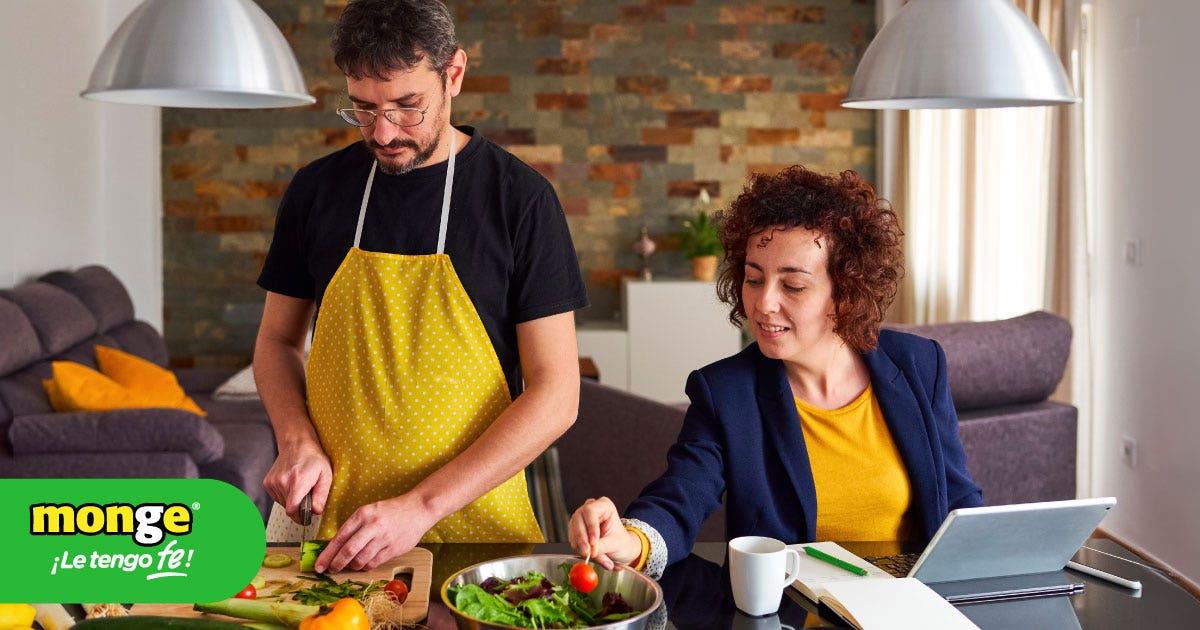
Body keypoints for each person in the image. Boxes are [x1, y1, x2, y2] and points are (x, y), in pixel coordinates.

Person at [254, 0, 588, 573]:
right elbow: (277, 344)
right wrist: (295, 438)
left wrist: (420, 506)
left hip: (474, 531)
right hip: (325, 527)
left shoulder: (520, 201)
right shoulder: (315, 191)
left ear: (452, 74)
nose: (382, 133)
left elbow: (557, 394)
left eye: (407, 107)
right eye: (362, 109)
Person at [568, 165, 982, 578]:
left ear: (846, 292)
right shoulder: (726, 392)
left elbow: (958, 498)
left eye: (793, 286)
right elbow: (682, 498)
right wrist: (630, 538)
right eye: (753, 278)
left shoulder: (918, 365)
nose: (763, 303)